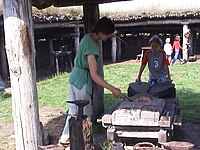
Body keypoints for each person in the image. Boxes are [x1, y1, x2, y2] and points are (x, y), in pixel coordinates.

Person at [59, 17, 121, 145]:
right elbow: (94, 75)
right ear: (102, 32)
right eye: (108, 34)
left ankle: (66, 138)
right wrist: (112, 89)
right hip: (81, 80)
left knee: (73, 110)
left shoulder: (87, 37)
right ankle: (83, 141)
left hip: (74, 77)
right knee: (85, 113)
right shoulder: (91, 46)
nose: (109, 37)